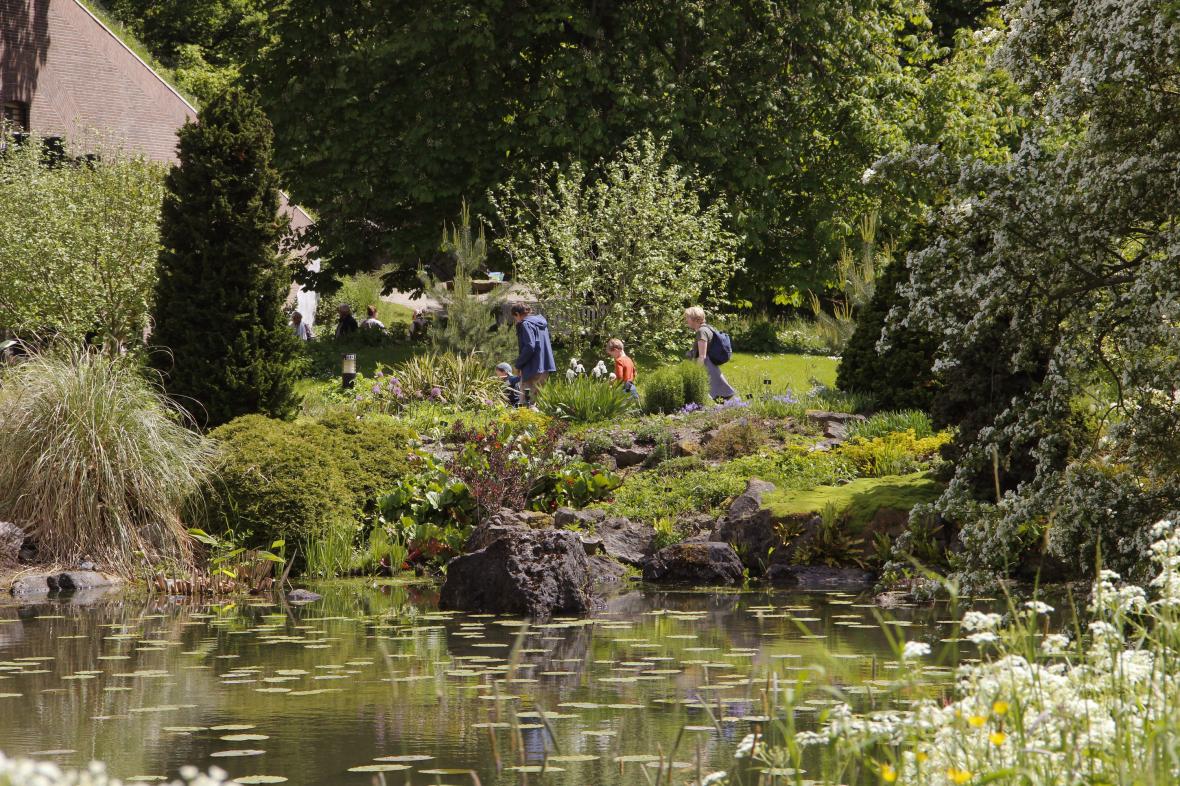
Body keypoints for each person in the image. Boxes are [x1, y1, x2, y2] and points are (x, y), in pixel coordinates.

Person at [683, 306, 738, 400]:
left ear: (696, 319)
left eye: (688, 317)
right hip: (710, 364)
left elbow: (702, 356)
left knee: (715, 392)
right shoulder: (707, 328)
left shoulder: (701, 331)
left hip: (706, 365)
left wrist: (697, 372)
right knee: (719, 389)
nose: (686, 320)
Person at [511, 303, 556, 406]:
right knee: (537, 403)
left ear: (517, 314)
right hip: (545, 367)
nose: (516, 320)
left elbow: (529, 346)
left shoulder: (526, 324)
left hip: (532, 368)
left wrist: (518, 365)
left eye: (514, 317)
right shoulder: (540, 323)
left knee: (525, 405)